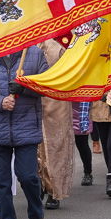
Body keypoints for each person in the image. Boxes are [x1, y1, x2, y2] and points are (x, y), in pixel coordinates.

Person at [0, 46, 49, 219]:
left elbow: (47, 84)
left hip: (26, 125)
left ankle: (35, 213)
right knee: (1, 182)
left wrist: (25, 88)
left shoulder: (34, 53)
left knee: (27, 176)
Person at [36, 39, 74, 210]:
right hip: (34, 97)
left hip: (57, 98)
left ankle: (54, 190)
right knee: (36, 144)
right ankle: (39, 184)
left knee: (56, 144)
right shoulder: (32, 39)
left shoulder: (64, 40)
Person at [72, 101, 94, 192]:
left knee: (82, 146)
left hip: (81, 110)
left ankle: (88, 173)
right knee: (62, 149)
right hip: (63, 110)